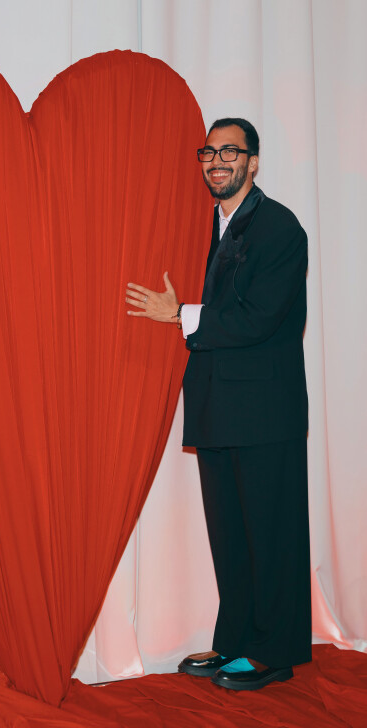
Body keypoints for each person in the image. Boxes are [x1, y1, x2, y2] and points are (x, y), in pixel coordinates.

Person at [125, 118, 311, 691]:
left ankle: (275, 652)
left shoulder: (280, 227)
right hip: (217, 406)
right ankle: (235, 641)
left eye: (231, 151)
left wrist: (180, 314)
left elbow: (260, 318)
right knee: (230, 536)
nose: (217, 161)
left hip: (265, 412)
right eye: (209, 151)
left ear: (253, 162)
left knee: (271, 534)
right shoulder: (206, 224)